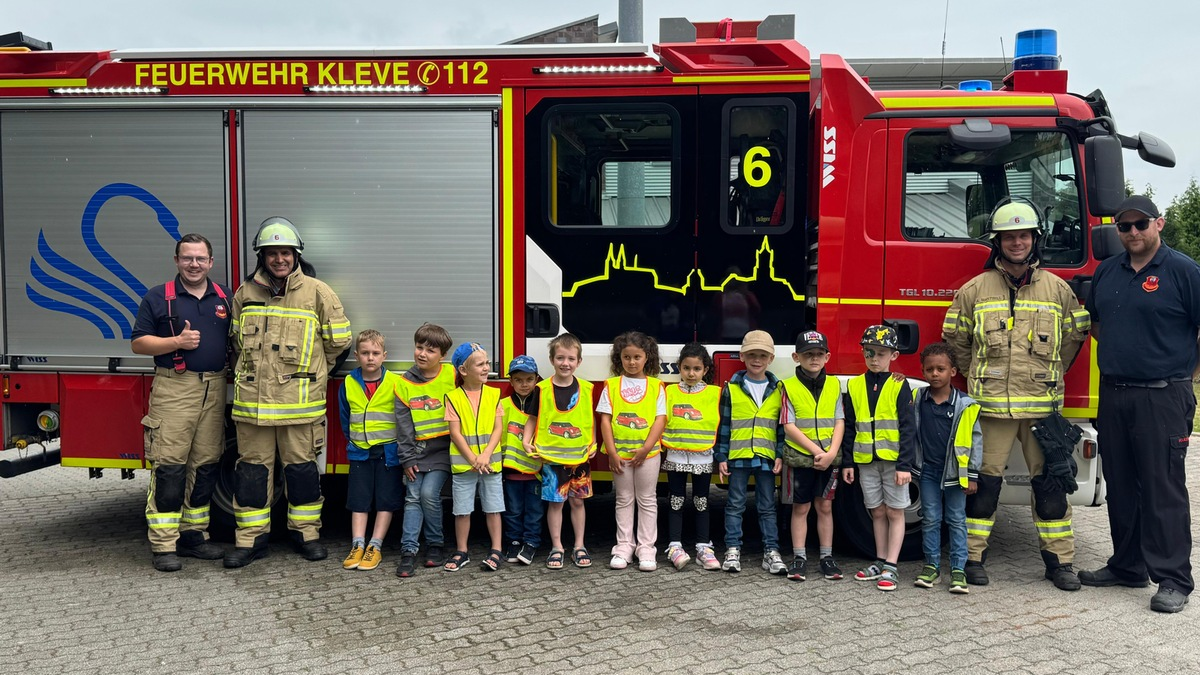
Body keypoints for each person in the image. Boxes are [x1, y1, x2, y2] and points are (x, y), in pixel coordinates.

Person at [942, 198, 1091, 590]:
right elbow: (956, 338)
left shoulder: (1057, 289)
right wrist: (978, 372)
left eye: (1023, 235)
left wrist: (1051, 372)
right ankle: (972, 559)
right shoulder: (975, 289)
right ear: (998, 242)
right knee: (982, 485)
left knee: (1051, 485)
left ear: (1034, 239)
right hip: (991, 408)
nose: (1017, 242)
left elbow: (1075, 336)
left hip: (1042, 410)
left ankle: (1059, 563)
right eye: (1009, 237)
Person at [1081, 194, 1200, 613]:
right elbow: (1098, 324)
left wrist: (1185, 376)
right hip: (1115, 393)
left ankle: (1173, 579)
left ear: (1158, 224)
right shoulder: (1108, 271)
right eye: (1124, 226)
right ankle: (1128, 565)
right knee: (1121, 485)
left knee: (1162, 488)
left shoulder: (1183, 271)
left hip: (1163, 395)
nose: (1132, 232)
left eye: (1140, 224)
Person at [226, 217, 352, 568]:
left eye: (285, 253)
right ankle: (250, 540)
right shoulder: (245, 294)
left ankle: (306, 535)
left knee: (302, 473)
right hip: (253, 409)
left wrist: (314, 371)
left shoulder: (318, 292)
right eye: (272, 253)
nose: (279, 259)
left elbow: (339, 342)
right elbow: (235, 343)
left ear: (296, 255)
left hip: (299, 408)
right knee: (251, 475)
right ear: (262, 257)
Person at [132, 233, 231, 572]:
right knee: (170, 466)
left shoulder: (224, 297)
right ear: (176, 260)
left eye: (200, 258)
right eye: (187, 258)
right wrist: (177, 341)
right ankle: (163, 545)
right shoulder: (158, 297)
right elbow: (138, 343)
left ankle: (194, 536)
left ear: (211, 262)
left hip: (214, 388)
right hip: (174, 388)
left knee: (205, 465)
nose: (194, 264)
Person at [842, 325, 916, 591]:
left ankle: (891, 566)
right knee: (877, 511)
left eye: (881, 353)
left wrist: (905, 465)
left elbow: (908, 428)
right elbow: (849, 427)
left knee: (895, 511)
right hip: (866, 461)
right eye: (869, 352)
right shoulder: (854, 385)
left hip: (894, 462)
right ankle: (880, 560)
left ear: (893, 356)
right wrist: (848, 462)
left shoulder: (899, 384)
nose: (874, 359)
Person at [911, 342, 982, 594]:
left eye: (941, 369)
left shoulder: (965, 405)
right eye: (929, 369)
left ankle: (958, 569)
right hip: (928, 471)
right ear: (922, 371)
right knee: (930, 519)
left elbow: (975, 441)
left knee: (956, 519)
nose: (935, 374)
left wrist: (972, 475)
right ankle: (931, 566)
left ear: (952, 371)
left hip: (955, 475)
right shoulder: (917, 398)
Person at [521, 333, 596, 570]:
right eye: (560, 358)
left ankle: (579, 546)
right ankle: (557, 547)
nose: (566, 363)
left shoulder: (586, 389)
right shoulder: (542, 389)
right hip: (552, 461)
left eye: (571, 359)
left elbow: (589, 419)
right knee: (556, 505)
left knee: (577, 503)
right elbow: (532, 418)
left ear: (579, 362)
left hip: (579, 460)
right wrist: (526, 441)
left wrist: (593, 442)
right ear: (552, 360)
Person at [715, 329, 786, 576]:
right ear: (742, 356)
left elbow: (781, 427)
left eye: (763, 355)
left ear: (771, 359)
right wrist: (721, 456)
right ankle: (732, 549)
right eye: (752, 355)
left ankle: (771, 551)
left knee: (767, 507)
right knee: (735, 505)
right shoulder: (732, 388)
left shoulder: (778, 389)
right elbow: (724, 425)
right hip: (738, 457)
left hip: (766, 458)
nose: (757, 360)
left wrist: (780, 454)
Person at [779, 330, 845, 582]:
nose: (814, 358)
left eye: (819, 354)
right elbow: (789, 426)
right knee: (801, 507)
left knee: (825, 506)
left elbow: (840, 420)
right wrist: (818, 452)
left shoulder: (835, 385)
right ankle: (799, 558)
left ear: (827, 357)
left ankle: (827, 557)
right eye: (808, 354)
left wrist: (831, 453)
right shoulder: (788, 386)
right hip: (800, 457)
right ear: (796, 357)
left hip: (829, 457)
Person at [599, 331, 667, 572]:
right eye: (626, 357)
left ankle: (646, 548)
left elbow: (660, 419)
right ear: (620, 358)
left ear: (647, 357)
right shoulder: (611, 385)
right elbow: (605, 420)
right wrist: (612, 453)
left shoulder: (656, 386)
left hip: (648, 455)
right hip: (620, 455)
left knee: (647, 499)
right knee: (623, 499)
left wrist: (646, 448)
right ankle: (624, 546)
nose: (632, 362)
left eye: (637, 357)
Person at [338, 329, 403, 572]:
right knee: (359, 500)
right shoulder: (348, 383)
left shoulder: (395, 383)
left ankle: (375, 546)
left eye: (376, 353)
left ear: (384, 355)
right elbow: (345, 418)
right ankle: (357, 545)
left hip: (388, 453)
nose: (370, 357)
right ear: (356, 355)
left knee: (385, 500)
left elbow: (402, 419)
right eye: (365, 353)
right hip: (360, 452)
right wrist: (355, 441)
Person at [394, 323, 455, 578]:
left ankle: (435, 544)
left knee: (429, 493)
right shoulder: (403, 384)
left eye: (430, 350)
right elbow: (403, 427)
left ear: (443, 355)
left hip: (443, 451)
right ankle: (408, 551)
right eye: (419, 347)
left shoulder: (452, 374)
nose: (422, 354)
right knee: (412, 497)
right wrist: (407, 459)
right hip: (416, 452)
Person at [443, 343, 506, 572]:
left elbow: (498, 429)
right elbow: (455, 433)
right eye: (480, 364)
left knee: (493, 508)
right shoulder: (453, 397)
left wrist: (486, 455)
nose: (486, 367)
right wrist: (473, 459)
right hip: (465, 467)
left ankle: (496, 549)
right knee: (462, 510)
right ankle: (462, 551)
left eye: (487, 363)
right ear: (463, 370)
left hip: (490, 464)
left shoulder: (494, 394)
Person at [662, 342, 722, 571]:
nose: (691, 373)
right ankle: (674, 546)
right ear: (679, 367)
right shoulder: (669, 392)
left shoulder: (714, 393)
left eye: (697, 369)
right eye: (686, 368)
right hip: (676, 454)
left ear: (705, 369)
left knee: (701, 501)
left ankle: (703, 547)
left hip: (702, 456)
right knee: (675, 501)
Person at [500, 355, 544, 566]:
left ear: (536, 379)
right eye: (518, 380)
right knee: (513, 510)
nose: (524, 384)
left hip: (536, 472)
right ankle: (514, 542)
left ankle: (531, 542)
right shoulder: (503, 405)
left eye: (529, 379)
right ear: (511, 381)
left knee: (534, 511)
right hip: (511, 471)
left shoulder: (543, 405)